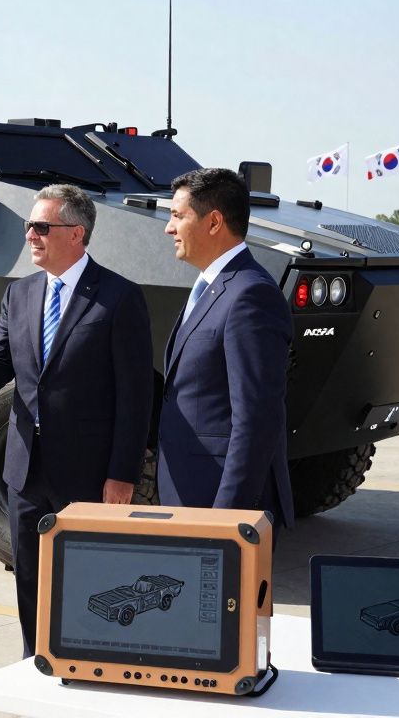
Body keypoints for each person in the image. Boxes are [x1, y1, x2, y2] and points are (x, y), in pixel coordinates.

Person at [0, 183, 153, 658]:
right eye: (30, 226)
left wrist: (122, 473)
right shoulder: (20, 294)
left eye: (41, 226)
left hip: (89, 473)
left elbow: (136, 395)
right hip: (25, 470)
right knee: (30, 577)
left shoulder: (119, 298)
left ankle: (92, 669)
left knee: (93, 584)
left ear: (77, 233)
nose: (31, 235)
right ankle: (36, 664)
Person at [157, 167, 294, 530]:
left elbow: (256, 420)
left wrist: (226, 521)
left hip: (219, 504)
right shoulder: (211, 286)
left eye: (177, 216)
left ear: (214, 222)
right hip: (189, 496)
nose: (169, 228)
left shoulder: (250, 295)